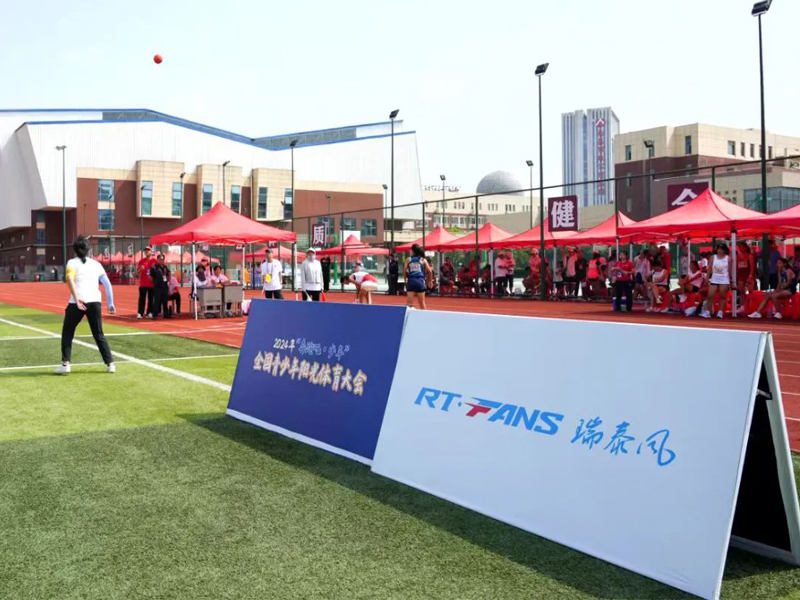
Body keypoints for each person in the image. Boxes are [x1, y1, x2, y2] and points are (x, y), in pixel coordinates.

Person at [56, 236, 115, 375]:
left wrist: (77, 299)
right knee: (98, 334)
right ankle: (110, 364)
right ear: (88, 250)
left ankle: (65, 364)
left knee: (68, 332)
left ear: (75, 250)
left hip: (77, 302)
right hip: (95, 301)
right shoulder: (96, 264)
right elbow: (107, 284)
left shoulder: (72, 262)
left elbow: (69, 279)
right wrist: (111, 303)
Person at [702, 244, 732, 319]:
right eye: (718, 249)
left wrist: (731, 280)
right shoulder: (713, 257)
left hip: (724, 279)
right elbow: (709, 268)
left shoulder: (728, 258)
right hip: (714, 279)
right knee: (710, 295)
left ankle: (720, 312)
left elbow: (730, 270)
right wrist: (707, 278)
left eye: (721, 249)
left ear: (725, 250)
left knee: (722, 296)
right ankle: (708, 311)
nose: (719, 251)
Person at [404, 243, 433, 309]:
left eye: (410, 250)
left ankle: (409, 315)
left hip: (411, 282)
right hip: (420, 282)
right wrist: (430, 281)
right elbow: (430, 271)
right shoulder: (423, 260)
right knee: (422, 302)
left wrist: (405, 280)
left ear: (413, 251)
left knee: (409, 305)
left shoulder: (409, 259)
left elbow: (405, 270)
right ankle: (424, 315)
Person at [136, 245, 156, 319]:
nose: (147, 251)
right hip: (143, 284)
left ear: (151, 251)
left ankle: (149, 312)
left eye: (148, 250)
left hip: (151, 284)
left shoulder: (154, 261)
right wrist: (140, 270)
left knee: (151, 299)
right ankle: (140, 313)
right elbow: (136, 274)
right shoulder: (141, 261)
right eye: (145, 250)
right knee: (142, 299)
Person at [150, 253, 171, 319]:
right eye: (160, 259)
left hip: (164, 287)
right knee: (157, 301)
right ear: (157, 259)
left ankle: (166, 314)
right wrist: (155, 282)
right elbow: (151, 277)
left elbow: (169, 273)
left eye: (162, 259)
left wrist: (168, 280)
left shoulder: (165, 267)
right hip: (157, 287)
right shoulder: (154, 267)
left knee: (165, 301)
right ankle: (155, 315)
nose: (161, 260)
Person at [736, 241, 754, 314]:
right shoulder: (738, 256)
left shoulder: (750, 256)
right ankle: (742, 306)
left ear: (745, 247)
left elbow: (752, 267)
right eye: (739, 247)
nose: (740, 248)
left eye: (742, 247)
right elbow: (736, 266)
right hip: (741, 275)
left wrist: (750, 276)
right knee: (741, 291)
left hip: (748, 275)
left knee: (751, 292)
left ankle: (752, 306)